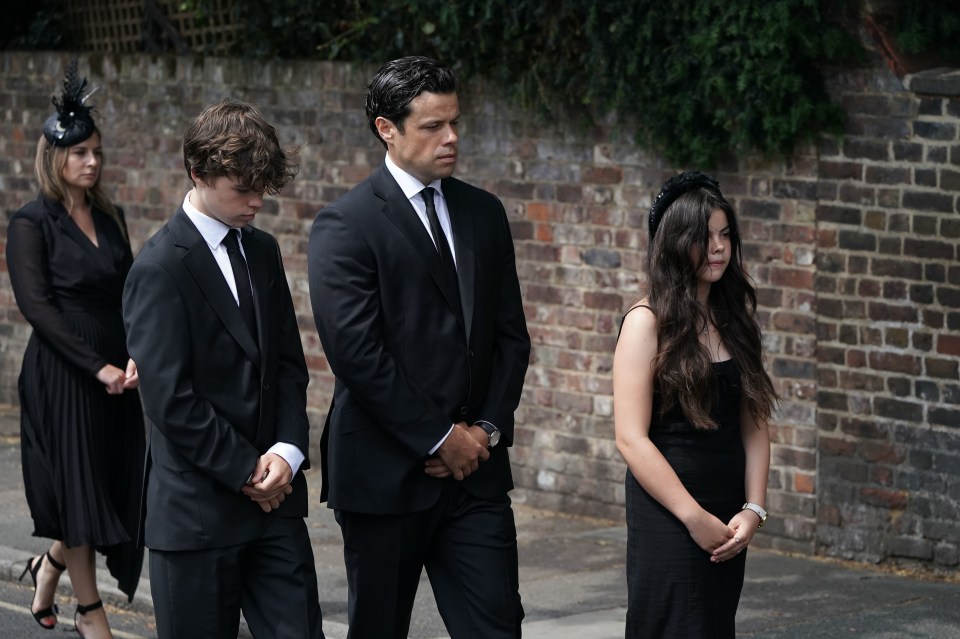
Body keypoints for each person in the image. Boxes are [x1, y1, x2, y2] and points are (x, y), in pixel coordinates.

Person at [308, 56, 530, 639]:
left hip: (476, 473)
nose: (451, 137)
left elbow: (510, 337)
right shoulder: (345, 224)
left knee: (498, 629)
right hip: (384, 475)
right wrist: (439, 437)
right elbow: (356, 353)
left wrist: (484, 431)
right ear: (387, 128)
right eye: (433, 126)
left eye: (454, 122)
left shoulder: (484, 212)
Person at [121, 99, 324, 639]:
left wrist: (287, 450)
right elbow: (170, 399)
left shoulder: (263, 250)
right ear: (198, 173)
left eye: (265, 188)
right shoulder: (158, 268)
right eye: (244, 189)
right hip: (196, 517)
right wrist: (245, 472)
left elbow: (286, 363)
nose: (258, 201)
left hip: (275, 509)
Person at [6, 60, 145, 639]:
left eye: (97, 152)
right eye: (79, 152)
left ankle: (49, 567)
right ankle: (93, 617)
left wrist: (137, 352)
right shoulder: (31, 224)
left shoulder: (110, 217)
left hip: (119, 364)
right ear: (54, 156)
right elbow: (37, 308)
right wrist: (99, 367)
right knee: (82, 492)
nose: (91, 162)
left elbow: (133, 289)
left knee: (113, 487)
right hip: (66, 369)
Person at [613, 170, 778, 637]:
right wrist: (692, 517)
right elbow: (630, 437)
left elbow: (754, 424)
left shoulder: (734, 320)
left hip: (727, 515)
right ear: (674, 242)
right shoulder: (646, 322)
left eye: (725, 235)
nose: (719, 247)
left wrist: (754, 509)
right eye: (704, 237)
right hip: (669, 511)